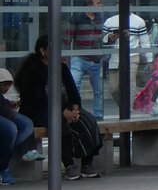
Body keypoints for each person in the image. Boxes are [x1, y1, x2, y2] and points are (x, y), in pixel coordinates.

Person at [15, 35, 101, 180]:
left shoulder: (62, 67)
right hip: (38, 110)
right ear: (43, 50)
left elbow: (73, 91)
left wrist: (74, 108)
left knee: (89, 121)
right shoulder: (32, 69)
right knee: (58, 122)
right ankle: (69, 165)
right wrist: (62, 111)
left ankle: (87, 163)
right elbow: (37, 98)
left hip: (65, 107)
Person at [102, 8, 152, 108]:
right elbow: (101, 39)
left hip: (132, 56)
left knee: (130, 85)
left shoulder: (138, 21)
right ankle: (123, 108)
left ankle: (127, 110)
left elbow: (145, 42)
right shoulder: (109, 21)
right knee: (113, 88)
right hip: (114, 57)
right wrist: (108, 38)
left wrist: (149, 59)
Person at [68, 0, 106, 120]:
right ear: (89, 5)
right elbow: (69, 37)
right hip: (79, 58)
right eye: (98, 3)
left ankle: (98, 116)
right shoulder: (77, 18)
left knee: (98, 90)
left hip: (95, 59)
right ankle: (76, 114)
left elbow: (102, 39)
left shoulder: (100, 18)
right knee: (74, 86)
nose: (100, 5)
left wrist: (108, 39)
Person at [0, 67, 35, 185]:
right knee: (11, 129)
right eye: (4, 85)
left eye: (8, 85)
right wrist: (9, 112)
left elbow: (2, 102)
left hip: (5, 113)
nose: (7, 88)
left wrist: (10, 104)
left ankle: (7, 151)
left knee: (27, 124)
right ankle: (3, 168)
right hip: (4, 115)